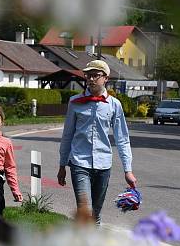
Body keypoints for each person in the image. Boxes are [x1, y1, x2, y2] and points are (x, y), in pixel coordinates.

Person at [58, 59, 137, 225]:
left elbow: (122, 139)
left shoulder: (114, 105)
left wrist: (127, 170)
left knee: (95, 214)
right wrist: (62, 165)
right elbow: (67, 135)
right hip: (79, 162)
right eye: (88, 76)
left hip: (103, 165)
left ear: (105, 78)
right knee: (85, 211)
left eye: (95, 75)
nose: (91, 79)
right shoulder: (75, 102)